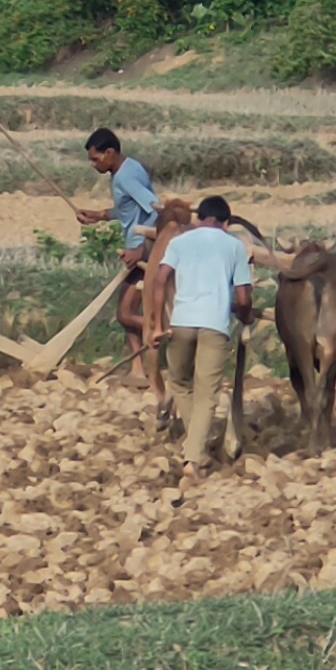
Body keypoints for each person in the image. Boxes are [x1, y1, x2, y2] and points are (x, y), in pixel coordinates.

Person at [150, 195, 255, 478]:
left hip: (181, 321)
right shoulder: (235, 247)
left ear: (199, 219)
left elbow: (160, 280)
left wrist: (159, 325)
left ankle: (195, 446)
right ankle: (193, 459)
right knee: (207, 395)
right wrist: (243, 314)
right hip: (215, 326)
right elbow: (244, 297)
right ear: (226, 223)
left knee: (180, 382)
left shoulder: (179, 243)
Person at [77, 127, 158, 379]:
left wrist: (140, 247)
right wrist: (100, 215)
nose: (93, 164)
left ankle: (165, 331)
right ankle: (137, 369)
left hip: (143, 250)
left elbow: (155, 209)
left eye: (95, 158)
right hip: (139, 247)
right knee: (126, 311)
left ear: (109, 153)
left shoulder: (125, 177)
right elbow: (128, 208)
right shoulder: (127, 169)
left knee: (125, 313)